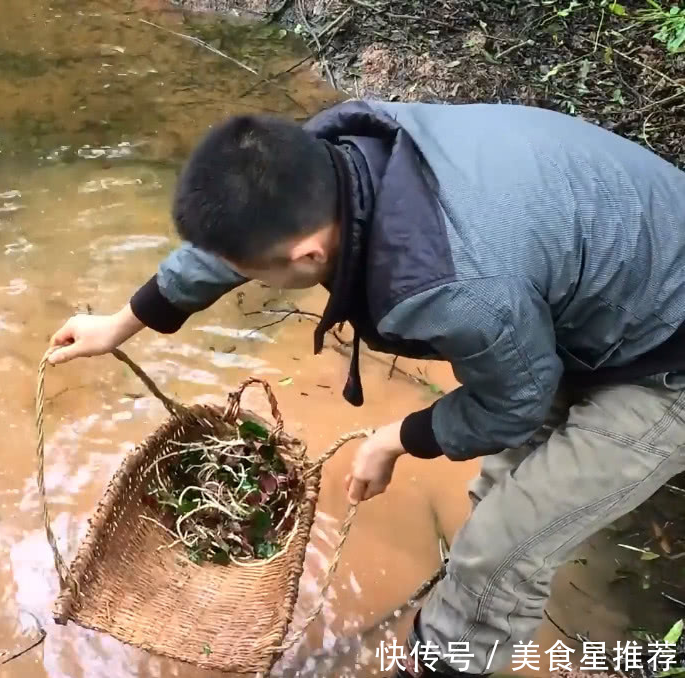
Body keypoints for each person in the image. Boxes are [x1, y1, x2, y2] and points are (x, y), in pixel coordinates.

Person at [44, 98, 685, 678]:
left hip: (667, 357)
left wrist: (394, 439)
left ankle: (442, 665)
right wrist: (122, 324)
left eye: (254, 274)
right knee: (496, 490)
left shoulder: (449, 288)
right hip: (594, 288)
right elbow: (229, 244)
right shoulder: (329, 155)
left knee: (502, 550)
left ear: (307, 257)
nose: (243, 277)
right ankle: (463, 601)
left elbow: (513, 405)